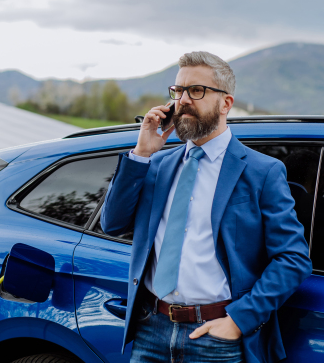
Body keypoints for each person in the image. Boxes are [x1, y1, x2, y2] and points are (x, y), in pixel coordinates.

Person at [100, 51, 311, 363]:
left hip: (217, 339)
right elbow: (112, 224)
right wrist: (141, 153)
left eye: (196, 91)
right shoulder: (156, 165)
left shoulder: (261, 171)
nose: (183, 100)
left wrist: (239, 319)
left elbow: (293, 258)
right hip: (151, 331)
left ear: (226, 103)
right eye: (178, 91)